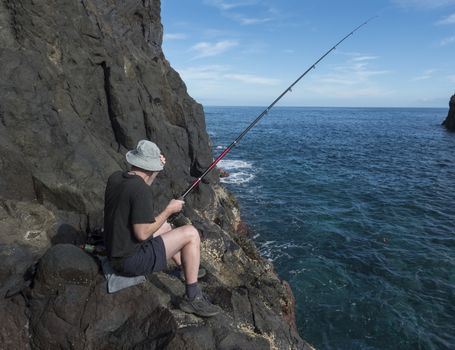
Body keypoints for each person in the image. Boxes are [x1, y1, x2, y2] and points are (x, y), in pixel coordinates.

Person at [104, 139, 220, 317]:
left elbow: (141, 185)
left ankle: (185, 268)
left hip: (115, 249)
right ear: (151, 167)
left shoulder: (116, 178)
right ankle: (192, 298)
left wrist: (155, 169)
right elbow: (142, 234)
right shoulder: (140, 191)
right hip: (129, 262)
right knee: (191, 234)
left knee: (166, 227)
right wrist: (168, 210)